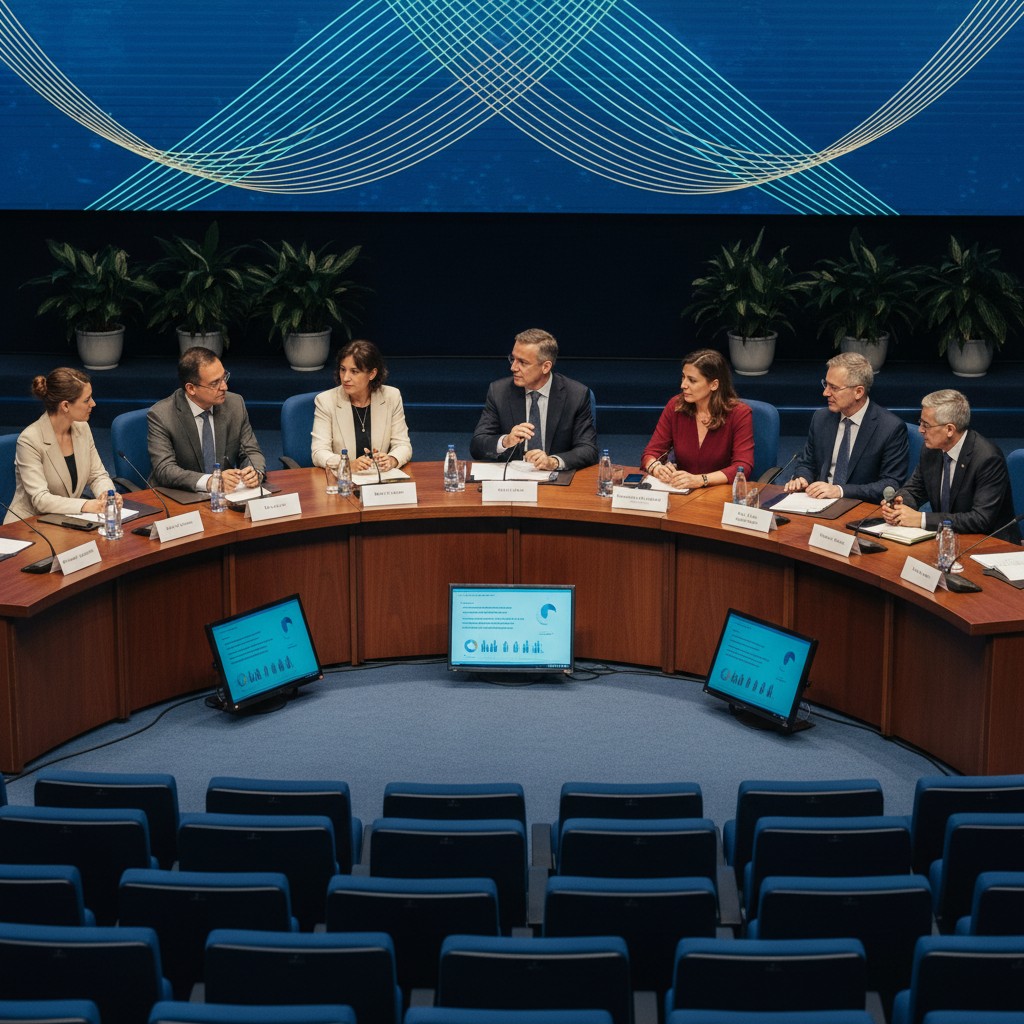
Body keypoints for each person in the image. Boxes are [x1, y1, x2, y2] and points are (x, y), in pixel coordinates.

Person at [882, 388, 1019, 541]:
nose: (920, 430)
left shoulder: (987, 459)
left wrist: (921, 519)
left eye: (926, 425)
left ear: (949, 429)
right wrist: (899, 503)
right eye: (920, 422)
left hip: (988, 544)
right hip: (946, 539)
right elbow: (915, 489)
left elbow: (981, 519)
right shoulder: (931, 450)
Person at [784, 352, 908, 502]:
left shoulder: (890, 428)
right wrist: (802, 477)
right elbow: (807, 463)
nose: (825, 393)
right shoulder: (821, 418)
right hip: (817, 502)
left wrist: (840, 491)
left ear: (858, 392)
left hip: (859, 507)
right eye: (826, 384)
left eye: (834, 388)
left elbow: (890, 484)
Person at [470, 328, 598, 471]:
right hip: (512, 479)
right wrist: (506, 441)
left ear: (545, 366)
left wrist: (553, 461)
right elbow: (477, 445)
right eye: (513, 359)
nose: (513, 367)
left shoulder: (576, 395)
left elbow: (588, 450)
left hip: (556, 480)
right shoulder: (499, 391)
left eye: (523, 362)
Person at [4, 367, 121, 523]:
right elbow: (41, 499)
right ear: (65, 406)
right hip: (30, 525)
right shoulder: (30, 440)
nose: (93, 403)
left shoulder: (82, 428)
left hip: (66, 521)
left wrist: (107, 496)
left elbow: (97, 476)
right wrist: (87, 504)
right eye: (86, 400)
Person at [148, 347, 265, 492]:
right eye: (214, 383)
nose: (224, 386)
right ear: (191, 388)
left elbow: (251, 451)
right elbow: (165, 469)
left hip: (224, 497)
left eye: (224, 377)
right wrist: (210, 481)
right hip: (180, 495)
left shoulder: (235, 404)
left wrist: (254, 472)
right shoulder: (162, 415)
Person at [641, 348, 754, 490]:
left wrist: (701, 480)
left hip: (720, 492)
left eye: (692, 380)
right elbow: (651, 452)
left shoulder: (739, 414)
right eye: (683, 377)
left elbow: (742, 467)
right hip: (682, 490)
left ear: (714, 385)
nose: (683, 385)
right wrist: (656, 468)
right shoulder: (676, 406)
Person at [311, 339, 412, 473]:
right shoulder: (326, 401)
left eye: (354, 371)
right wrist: (347, 464)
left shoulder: (391, 397)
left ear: (372, 374)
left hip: (379, 481)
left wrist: (392, 459)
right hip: (344, 481)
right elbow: (319, 452)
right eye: (342, 370)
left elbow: (403, 445)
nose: (345, 378)